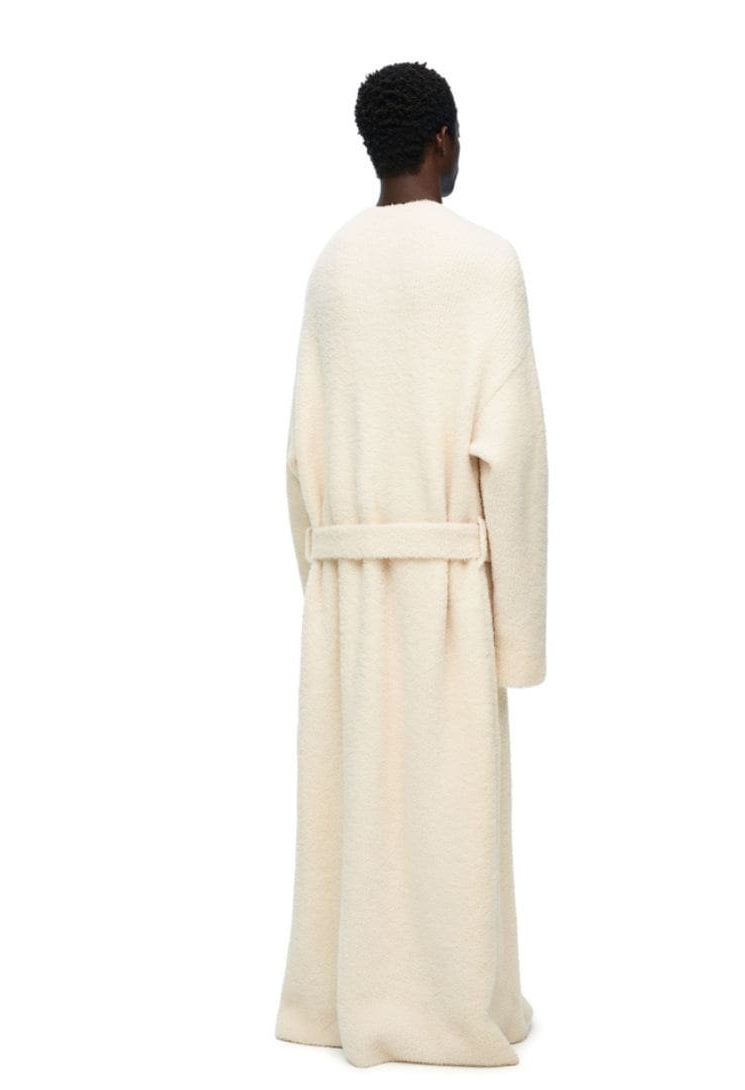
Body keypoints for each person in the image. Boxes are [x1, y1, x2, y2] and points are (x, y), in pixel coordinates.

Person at [275, 60, 548, 1068]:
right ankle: (456, 1002)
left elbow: (297, 455)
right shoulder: (486, 264)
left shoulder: (333, 269)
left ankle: (341, 999)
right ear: (442, 141)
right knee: (450, 809)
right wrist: (518, 634)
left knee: (355, 807)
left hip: (349, 588)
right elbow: (515, 456)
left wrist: (325, 584)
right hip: (445, 586)